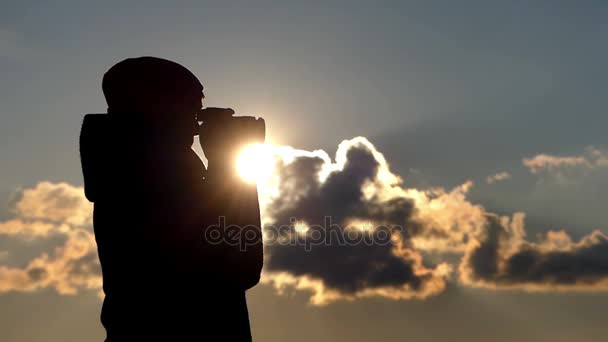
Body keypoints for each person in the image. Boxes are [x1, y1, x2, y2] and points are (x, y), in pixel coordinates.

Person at [78, 56, 264, 341]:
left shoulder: (123, 167)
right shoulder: (152, 175)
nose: (196, 126)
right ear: (157, 110)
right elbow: (239, 265)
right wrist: (227, 164)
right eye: (192, 112)